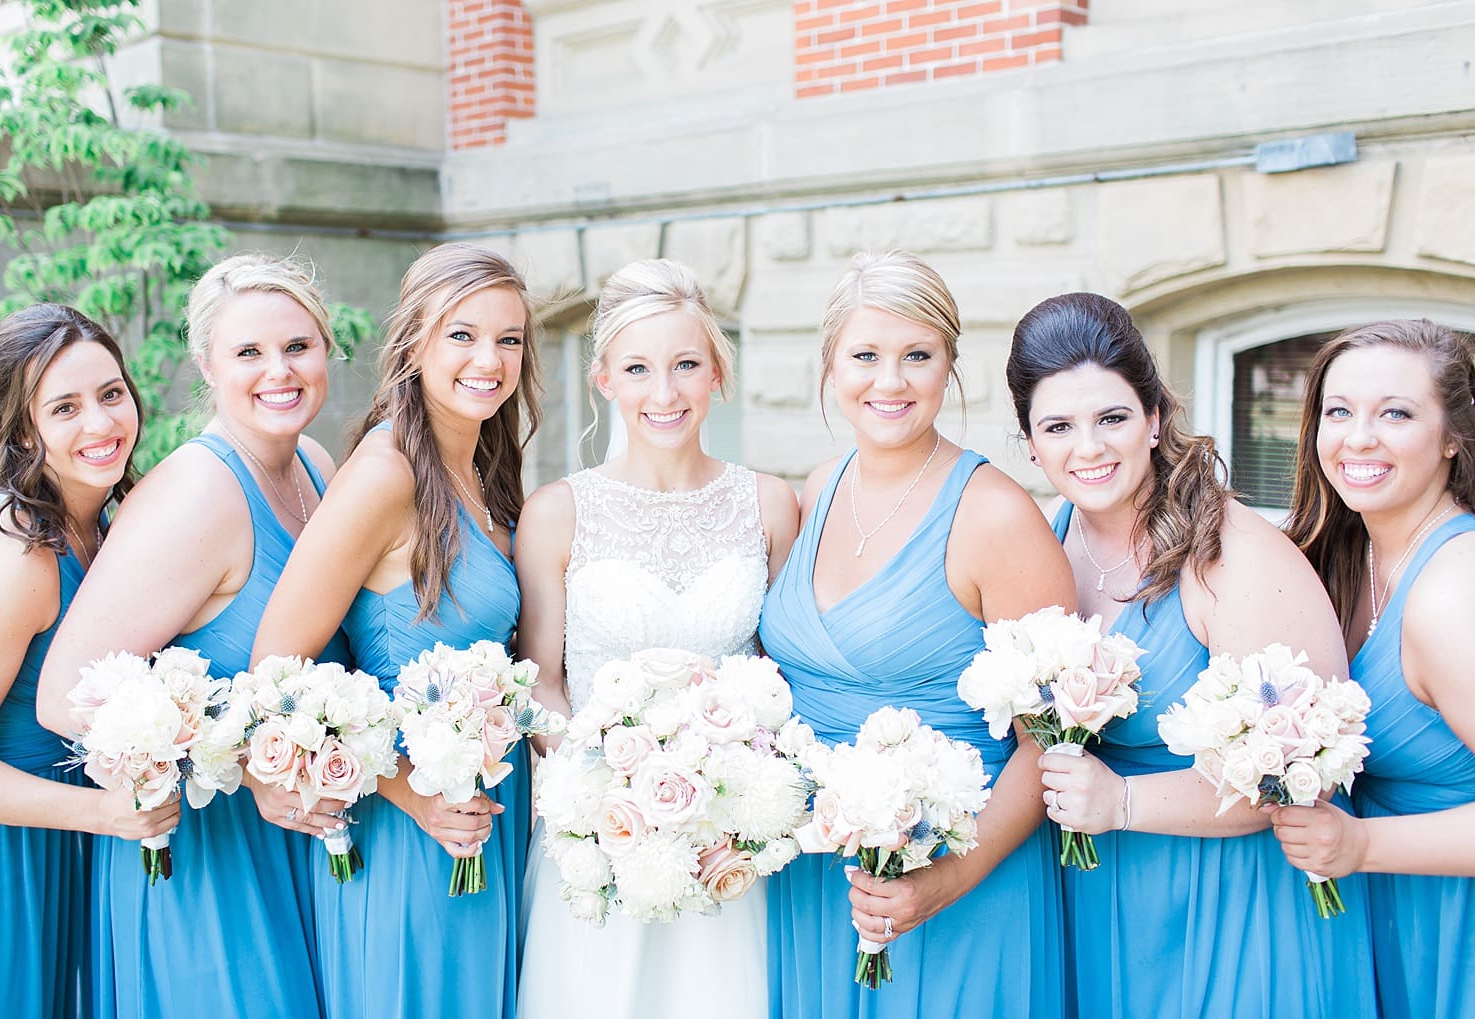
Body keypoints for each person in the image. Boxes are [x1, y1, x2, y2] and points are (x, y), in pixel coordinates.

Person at [1006, 292, 1375, 1016]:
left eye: (1111, 417)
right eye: (1057, 425)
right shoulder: (1044, 542)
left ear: (1151, 419)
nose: (1088, 447)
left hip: (1234, 905)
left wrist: (1122, 799)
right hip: (1103, 902)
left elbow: (1300, 776)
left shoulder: (1233, 556)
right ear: (1027, 440)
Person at [759, 251, 1075, 1018]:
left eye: (916, 356)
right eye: (865, 355)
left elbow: (1055, 738)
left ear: (949, 365)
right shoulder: (818, 487)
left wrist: (941, 883)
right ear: (831, 366)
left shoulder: (995, 515)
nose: (889, 381)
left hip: (958, 878)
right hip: (816, 880)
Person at [36, 254, 347, 1017]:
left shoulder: (314, 464)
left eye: (297, 346)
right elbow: (63, 696)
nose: (279, 370)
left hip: (293, 846)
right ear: (206, 364)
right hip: (209, 870)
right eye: (248, 352)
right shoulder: (195, 492)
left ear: (326, 350)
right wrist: (249, 752)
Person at [250, 242, 541, 1018]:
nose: (489, 358)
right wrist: (407, 793)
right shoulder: (386, 474)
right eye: (461, 334)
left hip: (480, 821)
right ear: (412, 342)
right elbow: (275, 670)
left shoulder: (482, 467)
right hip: (408, 828)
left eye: (508, 339)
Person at [515, 258, 798, 1019]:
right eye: (638, 368)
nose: (663, 392)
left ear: (717, 373)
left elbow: (780, 675)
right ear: (603, 377)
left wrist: (737, 800)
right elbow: (540, 677)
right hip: (602, 836)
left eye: (685, 365)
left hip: (728, 843)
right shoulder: (556, 512)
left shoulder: (769, 504)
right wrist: (605, 784)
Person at [0, 304, 175, 1018]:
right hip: (3, 869)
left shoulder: (108, 524)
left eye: (110, 394)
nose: (101, 424)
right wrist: (103, 811)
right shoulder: (17, 559)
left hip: (84, 851)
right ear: (24, 428)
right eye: (64, 407)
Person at [1279, 319, 1475, 1018]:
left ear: (1451, 435)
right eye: (1339, 412)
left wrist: (1361, 841)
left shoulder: (1453, 590)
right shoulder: (1342, 559)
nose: (1357, 437)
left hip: (1454, 939)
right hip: (1385, 922)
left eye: (1394, 412)